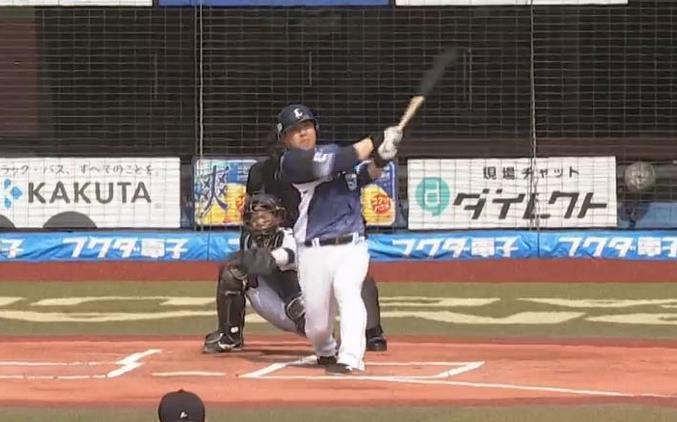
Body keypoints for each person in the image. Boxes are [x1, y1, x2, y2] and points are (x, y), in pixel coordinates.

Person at [276, 104, 401, 375]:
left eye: (306, 126)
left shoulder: (333, 152)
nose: (303, 133)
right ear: (285, 139)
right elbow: (340, 161)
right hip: (313, 249)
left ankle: (351, 357)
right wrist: (376, 139)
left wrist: (381, 160)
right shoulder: (292, 163)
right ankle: (326, 350)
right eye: (295, 130)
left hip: (352, 244)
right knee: (317, 326)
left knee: (348, 292)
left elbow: (360, 176)